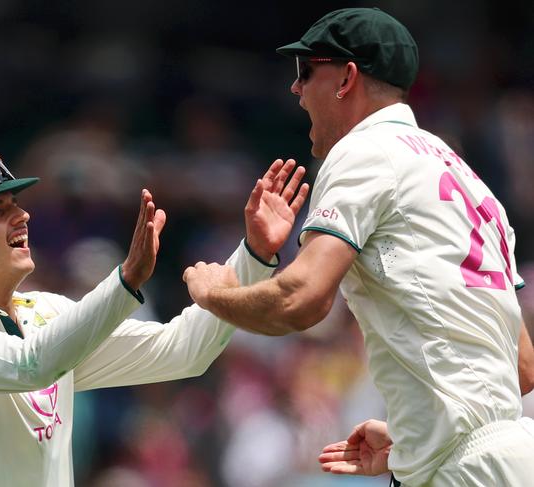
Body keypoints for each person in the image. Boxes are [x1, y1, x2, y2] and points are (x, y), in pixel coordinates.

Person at [182, 7, 534, 486]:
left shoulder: (366, 150)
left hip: (464, 470)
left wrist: (212, 294)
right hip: (508, 455)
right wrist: (417, 437)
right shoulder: (471, 182)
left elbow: (301, 300)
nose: (296, 88)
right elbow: (522, 369)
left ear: (346, 78)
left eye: (306, 72)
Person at [0, 153, 308, 486]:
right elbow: (29, 365)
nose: (23, 216)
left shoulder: (46, 314)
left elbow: (183, 352)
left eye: (15, 204)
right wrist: (125, 281)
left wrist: (254, 255)